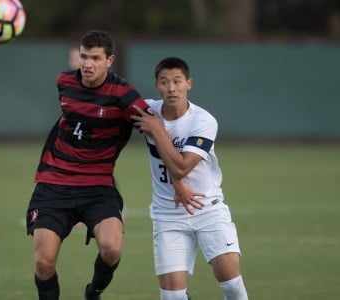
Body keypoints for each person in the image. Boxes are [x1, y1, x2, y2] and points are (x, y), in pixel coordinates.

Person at [25, 30, 151, 300]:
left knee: (112, 248)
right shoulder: (64, 83)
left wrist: (178, 173)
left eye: (95, 58)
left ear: (110, 60)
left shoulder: (125, 96)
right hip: (54, 185)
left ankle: (93, 293)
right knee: (43, 262)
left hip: (98, 187)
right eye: (84, 57)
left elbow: (154, 125)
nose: (87, 64)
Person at [131, 57, 249, 300]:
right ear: (156, 86)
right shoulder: (147, 111)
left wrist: (157, 130)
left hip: (207, 209)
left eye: (177, 81)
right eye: (164, 82)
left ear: (189, 84)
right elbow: (116, 97)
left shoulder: (203, 121)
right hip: (168, 215)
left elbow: (182, 167)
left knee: (232, 287)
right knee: (171, 297)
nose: (171, 88)